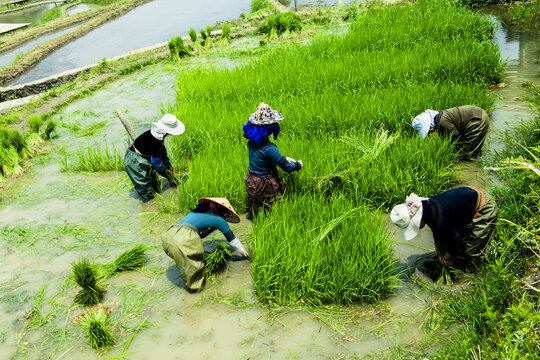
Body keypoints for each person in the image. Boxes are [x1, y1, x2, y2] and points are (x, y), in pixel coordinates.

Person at [391, 186, 498, 274]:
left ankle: (474, 276)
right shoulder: (427, 208)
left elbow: (456, 241)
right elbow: (437, 232)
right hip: (465, 201)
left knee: (472, 251)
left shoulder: (439, 219)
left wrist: (446, 259)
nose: (417, 229)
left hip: (483, 207)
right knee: (448, 244)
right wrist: (439, 254)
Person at [161, 197, 249, 292]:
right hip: (182, 240)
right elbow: (233, 241)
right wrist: (246, 256)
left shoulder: (193, 213)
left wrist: (212, 229)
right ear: (222, 211)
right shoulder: (219, 220)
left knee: (185, 261)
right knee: (195, 276)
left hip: (168, 236)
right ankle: (195, 294)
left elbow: (197, 233)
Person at [244, 102, 303, 219]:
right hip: (264, 185)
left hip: (251, 180)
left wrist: (282, 158)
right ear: (270, 127)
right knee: (276, 212)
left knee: (257, 213)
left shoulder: (251, 143)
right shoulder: (270, 148)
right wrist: (298, 164)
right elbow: (287, 167)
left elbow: (262, 158)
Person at [124, 113, 184, 202]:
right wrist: (166, 174)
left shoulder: (159, 134)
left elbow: (163, 153)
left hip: (144, 157)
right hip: (134, 161)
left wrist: (168, 166)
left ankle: (155, 200)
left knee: (155, 183)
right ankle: (149, 207)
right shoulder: (157, 140)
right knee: (145, 189)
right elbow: (156, 163)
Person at [411, 105, 490, 160]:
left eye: (428, 131)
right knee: (469, 148)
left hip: (478, 120)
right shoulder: (440, 118)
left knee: (467, 155)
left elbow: (456, 135)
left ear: (430, 127)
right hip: (478, 115)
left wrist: (453, 152)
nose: (429, 133)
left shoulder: (442, 122)